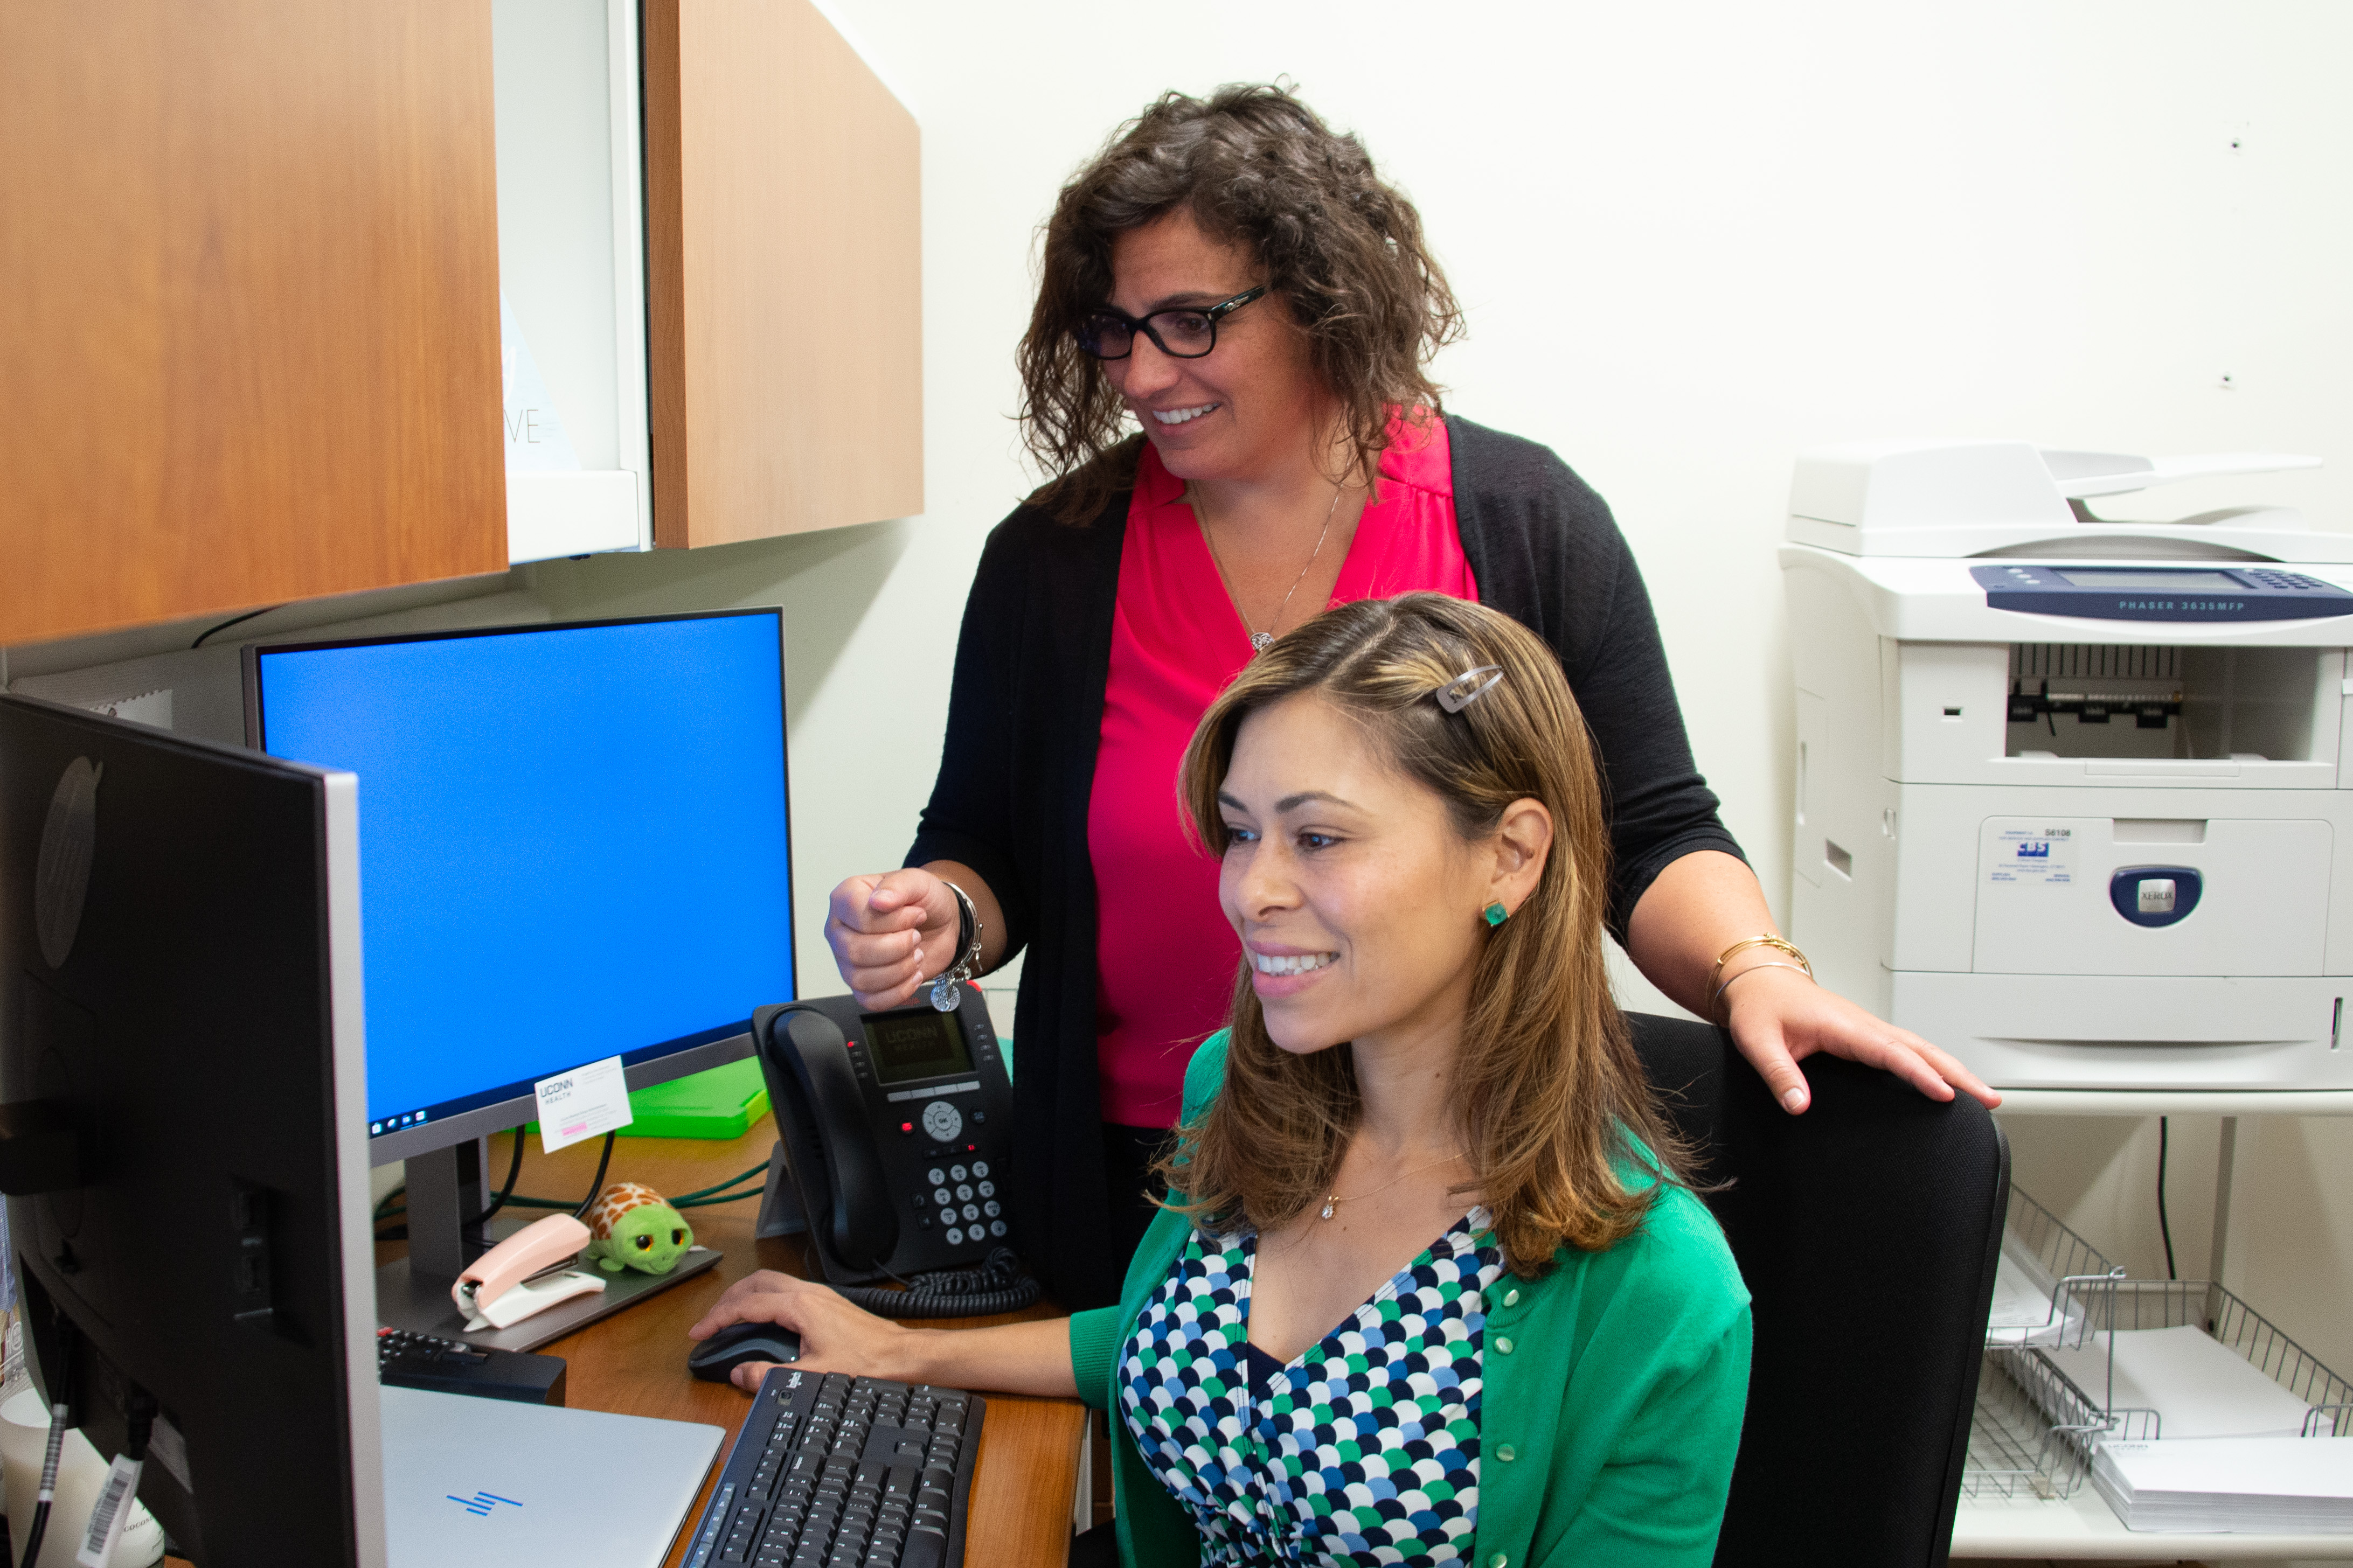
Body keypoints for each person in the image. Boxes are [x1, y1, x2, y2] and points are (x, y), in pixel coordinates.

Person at [825, 83, 1995, 1309]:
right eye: (1114, 332)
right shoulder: (1054, 562)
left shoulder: (1524, 526)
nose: (1142, 373)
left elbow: (1647, 831)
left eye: (1190, 322)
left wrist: (1757, 970)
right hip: (1146, 1176)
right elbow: (984, 845)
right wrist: (940, 917)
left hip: (1459, 1176)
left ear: (1323, 297)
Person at [705, 596, 1753, 1567]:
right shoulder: (1243, 1095)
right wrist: (902, 1352)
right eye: (1243, 831)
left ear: (1510, 857)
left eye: (1320, 837)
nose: (1252, 888)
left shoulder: (1659, 1293)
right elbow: (1194, 1336)